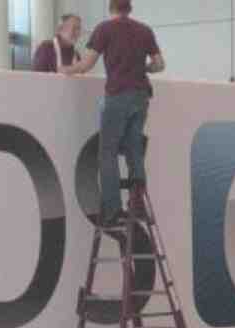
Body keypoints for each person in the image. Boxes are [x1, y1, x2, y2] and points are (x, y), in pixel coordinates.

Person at [59, 0, 165, 227]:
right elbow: (159, 64)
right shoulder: (144, 30)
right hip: (141, 97)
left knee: (107, 152)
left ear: (111, 8)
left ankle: (113, 210)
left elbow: (86, 64)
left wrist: (65, 70)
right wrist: (142, 68)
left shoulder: (104, 29)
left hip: (117, 95)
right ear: (130, 8)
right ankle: (138, 206)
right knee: (134, 150)